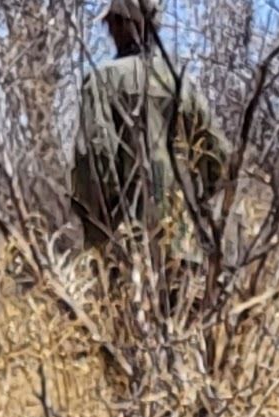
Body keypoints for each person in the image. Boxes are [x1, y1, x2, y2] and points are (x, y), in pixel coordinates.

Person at [70, 2, 228, 279]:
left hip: (126, 245)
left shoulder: (101, 81)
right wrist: (195, 209)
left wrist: (100, 223)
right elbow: (219, 161)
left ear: (125, 25)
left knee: (117, 321)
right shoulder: (182, 85)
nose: (109, 30)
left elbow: (94, 157)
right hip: (185, 245)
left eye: (112, 23)